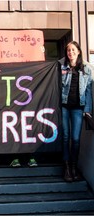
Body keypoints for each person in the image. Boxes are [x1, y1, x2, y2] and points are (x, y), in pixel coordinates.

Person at [59, 41, 93, 182]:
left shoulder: (86, 68)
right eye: (68, 50)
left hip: (78, 107)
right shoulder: (62, 66)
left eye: (73, 50)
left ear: (78, 51)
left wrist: (88, 109)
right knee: (66, 137)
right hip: (65, 106)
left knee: (76, 139)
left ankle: (74, 168)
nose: (70, 52)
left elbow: (89, 89)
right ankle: (67, 169)